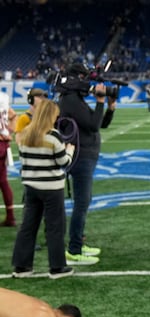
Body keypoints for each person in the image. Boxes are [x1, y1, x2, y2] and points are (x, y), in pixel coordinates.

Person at [58, 62, 116, 266]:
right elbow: (92, 125)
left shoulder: (73, 98)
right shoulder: (71, 99)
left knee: (84, 202)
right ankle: (74, 249)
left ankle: (78, 243)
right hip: (81, 157)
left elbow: (99, 124)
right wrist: (100, 100)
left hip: (85, 155)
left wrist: (108, 108)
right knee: (81, 204)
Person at [12, 99, 75, 279]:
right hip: (51, 188)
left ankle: (22, 267)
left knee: (28, 226)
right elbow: (64, 163)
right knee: (55, 227)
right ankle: (57, 267)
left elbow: (23, 161)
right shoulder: (53, 136)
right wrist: (69, 150)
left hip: (30, 186)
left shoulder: (24, 134)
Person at [0, 89, 17, 227]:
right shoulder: (4, 97)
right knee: (3, 181)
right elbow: (13, 115)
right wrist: (8, 131)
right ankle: (10, 217)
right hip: (3, 144)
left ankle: (11, 217)